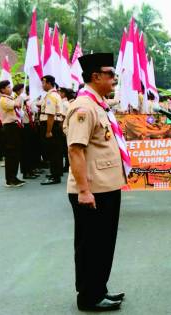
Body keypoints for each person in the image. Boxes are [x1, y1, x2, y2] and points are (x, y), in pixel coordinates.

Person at [64, 53, 126, 311]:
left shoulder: (99, 104)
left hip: (106, 186)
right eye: (110, 73)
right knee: (91, 246)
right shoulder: (84, 107)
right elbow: (75, 150)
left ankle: (99, 289)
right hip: (93, 191)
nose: (114, 78)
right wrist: (84, 191)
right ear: (95, 76)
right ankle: (89, 297)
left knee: (103, 245)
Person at [0, 80, 26, 187]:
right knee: (11, 155)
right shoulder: (3, 100)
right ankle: (10, 179)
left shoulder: (8, 98)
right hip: (9, 128)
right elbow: (17, 104)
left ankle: (13, 177)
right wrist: (20, 95)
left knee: (15, 154)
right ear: (2, 89)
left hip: (14, 127)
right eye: (8, 87)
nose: (11, 89)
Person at [40, 75, 64, 185]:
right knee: (56, 151)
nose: (42, 85)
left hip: (51, 125)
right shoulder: (55, 95)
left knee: (53, 151)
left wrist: (48, 131)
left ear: (49, 83)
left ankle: (55, 176)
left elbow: (50, 115)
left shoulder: (51, 96)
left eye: (44, 82)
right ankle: (56, 173)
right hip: (56, 124)